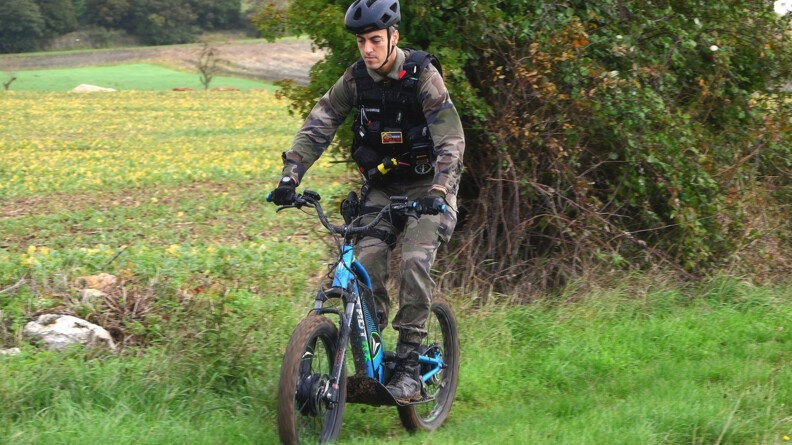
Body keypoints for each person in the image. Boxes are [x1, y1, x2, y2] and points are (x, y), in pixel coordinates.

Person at [268, 0, 464, 404]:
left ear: (393, 36)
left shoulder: (422, 76)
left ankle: (409, 367)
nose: (368, 49)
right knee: (364, 265)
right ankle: (370, 360)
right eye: (361, 41)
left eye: (375, 39)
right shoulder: (356, 79)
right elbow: (319, 123)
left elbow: (451, 141)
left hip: (429, 187)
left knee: (414, 261)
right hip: (382, 189)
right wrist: (291, 176)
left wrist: (439, 192)